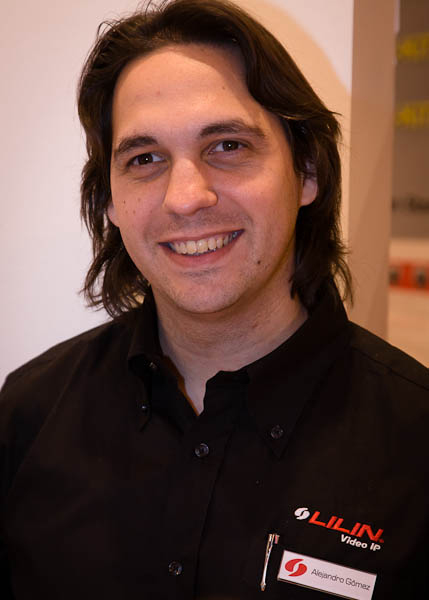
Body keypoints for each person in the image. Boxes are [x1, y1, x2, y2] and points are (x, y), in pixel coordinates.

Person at [0, 0, 428, 598]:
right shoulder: (28, 415)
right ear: (111, 201)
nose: (185, 197)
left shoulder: (415, 439)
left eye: (227, 145)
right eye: (145, 159)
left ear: (307, 170)